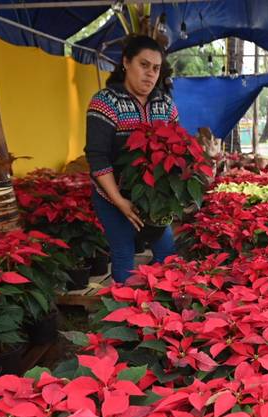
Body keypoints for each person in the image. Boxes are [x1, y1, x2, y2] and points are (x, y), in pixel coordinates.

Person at [85, 35, 179, 283]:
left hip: (152, 198)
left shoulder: (165, 105)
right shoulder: (106, 102)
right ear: (126, 63)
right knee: (124, 254)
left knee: (167, 253)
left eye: (156, 68)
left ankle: (156, 305)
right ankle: (128, 315)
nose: (150, 74)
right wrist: (120, 201)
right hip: (112, 196)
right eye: (144, 65)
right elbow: (97, 157)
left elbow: (177, 148)